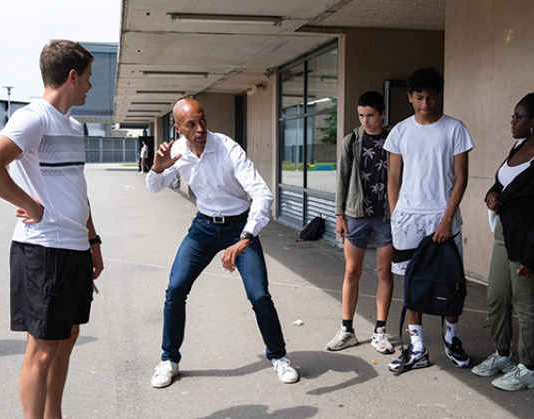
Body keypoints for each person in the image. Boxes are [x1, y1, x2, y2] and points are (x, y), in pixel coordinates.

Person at [0, 40, 104, 418]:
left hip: (75, 246)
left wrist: (93, 240)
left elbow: (78, 188)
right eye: (88, 78)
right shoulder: (34, 117)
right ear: (72, 76)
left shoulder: (74, 125)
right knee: (42, 348)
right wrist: (28, 203)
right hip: (44, 249)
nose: (90, 87)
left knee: (69, 335)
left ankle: (53, 415)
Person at [147, 98, 298, 388]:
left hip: (239, 226)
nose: (200, 128)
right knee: (175, 289)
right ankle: (169, 360)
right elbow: (154, 188)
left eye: (203, 120)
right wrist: (156, 169)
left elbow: (263, 194)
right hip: (203, 227)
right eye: (191, 124)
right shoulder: (177, 151)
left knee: (259, 296)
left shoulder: (228, 148)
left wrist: (246, 237)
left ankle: (278, 357)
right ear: (178, 128)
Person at [473, 93, 534, 391]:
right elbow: (503, 182)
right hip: (506, 234)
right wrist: (491, 193)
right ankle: (503, 354)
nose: (512, 122)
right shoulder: (518, 146)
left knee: (526, 305)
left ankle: (528, 369)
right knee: (497, 298)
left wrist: (531, 256)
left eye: (518, 117)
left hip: (532, 240)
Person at [383, 67, 474, 372]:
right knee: (413, 285)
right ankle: (418, 347)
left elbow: (461, 179)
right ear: (410, 97)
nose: (425, 103)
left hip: (443, 218)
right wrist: (396, 214)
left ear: (439, 96)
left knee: (450, 282)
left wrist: (447, 219)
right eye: (419, 97)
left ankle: (451, 340)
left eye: (431, 97)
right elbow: (393, 177)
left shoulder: (455, 129)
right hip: (407, 221)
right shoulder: (400, 131)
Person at [327, 91, 395, 354]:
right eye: (361, 115)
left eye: (370, 115)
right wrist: (339, 215)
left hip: (386, 216)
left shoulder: (394, 139)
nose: (365, 121)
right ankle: (347, 330)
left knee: (384, 272)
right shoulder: (352, 140)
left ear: (382, 114)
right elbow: (342, 178)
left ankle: (380, 331)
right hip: (356, 213)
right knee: (351, 271)